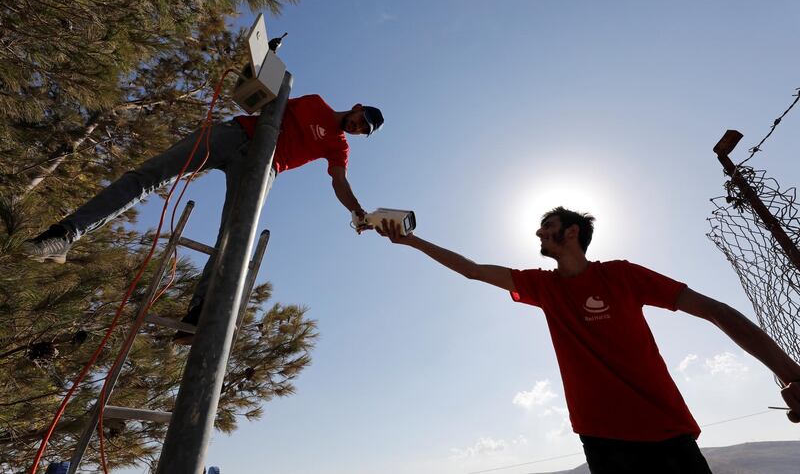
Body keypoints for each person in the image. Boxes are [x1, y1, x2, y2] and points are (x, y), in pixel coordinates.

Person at [376, 206, 800, 474]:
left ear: (573, 232)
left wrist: (790, 372)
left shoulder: (624, 275)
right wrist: (409, 239)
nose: (539, 234)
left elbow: (714, 310)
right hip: (602, 438)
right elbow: (470, 269)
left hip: (667, 431)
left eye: (548, 227)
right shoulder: (541, 286)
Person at [22, 94, 384, 343]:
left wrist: (357, 212)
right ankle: (63, 236)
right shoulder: (315, 102)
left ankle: (199, 312)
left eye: (362, 130)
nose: (356, 127)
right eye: (360, 120)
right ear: (356, 107)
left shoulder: (339, 146)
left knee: (233, 237)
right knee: (149, 176)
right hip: (235, 135)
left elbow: (339, 180)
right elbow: (266, 100)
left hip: (262, 168)